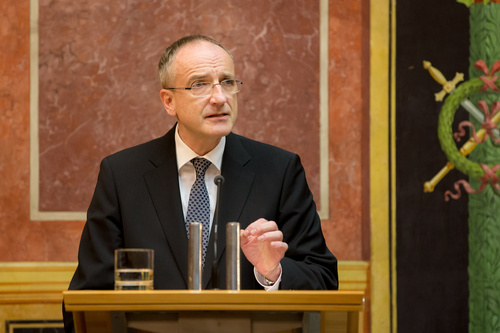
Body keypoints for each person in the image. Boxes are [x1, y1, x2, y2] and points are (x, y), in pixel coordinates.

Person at [63, 34, 338, 331]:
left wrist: (273, 272)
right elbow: (88, 295)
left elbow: (323, 278)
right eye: (200, 84)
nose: (219, 97)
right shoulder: (122, 175)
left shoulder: (280, 170)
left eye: (228, 82)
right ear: (169, 101)